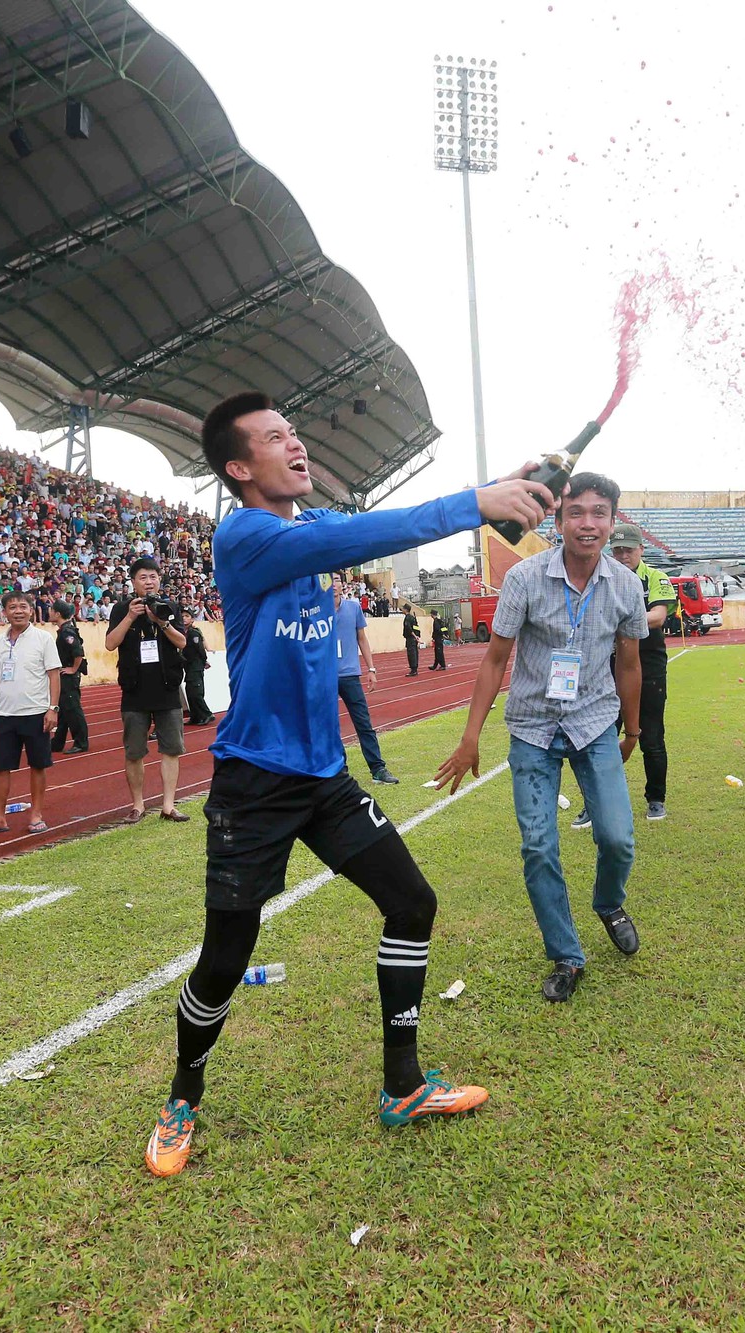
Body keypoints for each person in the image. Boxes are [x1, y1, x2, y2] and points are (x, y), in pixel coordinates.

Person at [141, 390, 549, 1180]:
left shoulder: (305, 528)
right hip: (254, 782)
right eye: (273, 438)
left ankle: (403, 1084)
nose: (294, 445)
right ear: (238, 467)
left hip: (323, 776)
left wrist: (497, 485)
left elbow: (362, 525)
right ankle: (182, 1094)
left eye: (293, 432)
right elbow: (376, 530)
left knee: (412, 901)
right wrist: (474, 502)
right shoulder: (247, 534)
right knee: (226, 956)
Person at [441, 474, 647, 1002]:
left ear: (612, 521)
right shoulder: (525, 579)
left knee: (618, 837)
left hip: (596, 722)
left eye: (599, 513)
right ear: (558, 522)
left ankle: (608, 903)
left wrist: (635, 728)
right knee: (539, 846)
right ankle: (567, 955)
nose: (588, 523)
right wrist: (470, 737)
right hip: (532, 727)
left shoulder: (626, 585)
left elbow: (629, 663)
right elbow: (494, 659)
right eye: (576, 512)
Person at [108, 556, 190, 822]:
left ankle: (168, 805)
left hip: (167, 688)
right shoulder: (121, 609)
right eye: (143, 577)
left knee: (171, 749)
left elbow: (182, 642)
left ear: (159, 580)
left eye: (153, 577)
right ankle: (138, 805)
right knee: (134, 751)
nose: (149, 582)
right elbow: (110, 644)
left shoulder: (171, 607)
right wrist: (131, 616)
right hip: (134, 689)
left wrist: (162, 621)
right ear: (133, 582)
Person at [0, 592, 59, 837]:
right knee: (0, 767)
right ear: (4, 612)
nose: (18, 611)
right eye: (12, 607)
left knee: (38, 765)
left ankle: (36, 814)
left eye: (22, 606)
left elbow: (54, 675)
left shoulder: (43, 639)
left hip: (35, 713)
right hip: (5, 715)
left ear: (31, 610)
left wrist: (53, 708)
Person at [609, 522, 677, 820]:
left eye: (629, 550)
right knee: (603, 737)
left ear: (641, 549)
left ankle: (656, 798)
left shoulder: (656, 577)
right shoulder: (603, 578)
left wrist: (619, 622)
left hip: (649, 666)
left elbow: (659, 616)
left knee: (651, 735)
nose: (623, 555)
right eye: (617, 550)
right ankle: (598, 801)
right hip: (608, 666)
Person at [334, 582, 397, 784]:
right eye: (328, 579)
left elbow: (362, 639)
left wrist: (371, 669)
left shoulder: (353, 608)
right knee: (329, 725)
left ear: (341, 584)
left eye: (336, 579)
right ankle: (339, 770)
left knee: (363, 723)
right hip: (324, 676)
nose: (332, 584)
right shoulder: (315, 610)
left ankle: (378, 768)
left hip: (350, 674)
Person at [49, 600, 90, 753]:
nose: (49, 612)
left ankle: (81, 742)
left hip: (68, 676)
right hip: (63, 675)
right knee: (65, 710)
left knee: (73, 709)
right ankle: (58, 742)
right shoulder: (64, 630)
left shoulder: (67, 632)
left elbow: (78, 652)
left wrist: (73, 669)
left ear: (58, 614)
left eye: (51, 610)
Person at [181, 619, 214, 726]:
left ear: (192, 619)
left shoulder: (194, 633)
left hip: (196, 665)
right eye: (182, 616)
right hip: (188, 666)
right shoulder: (182, 632)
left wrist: (204, 661)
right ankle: (195, 716)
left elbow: (200, 648)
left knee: (196, 692)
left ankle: (207, 714)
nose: (184, 618)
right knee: (189, 692)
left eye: (187, 616)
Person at [402, 601, 421, 676]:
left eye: (403, 608)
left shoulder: (407, 618)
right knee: (415, 653)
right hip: (414, 638)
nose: (402, 609)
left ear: (406, 610)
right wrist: (417, 636)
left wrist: (415, 636)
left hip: (410, 638)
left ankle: (413, 670)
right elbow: (416, 627)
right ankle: (415, 668)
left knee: (411, 654)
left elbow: (409, 629)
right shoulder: (413, 618)